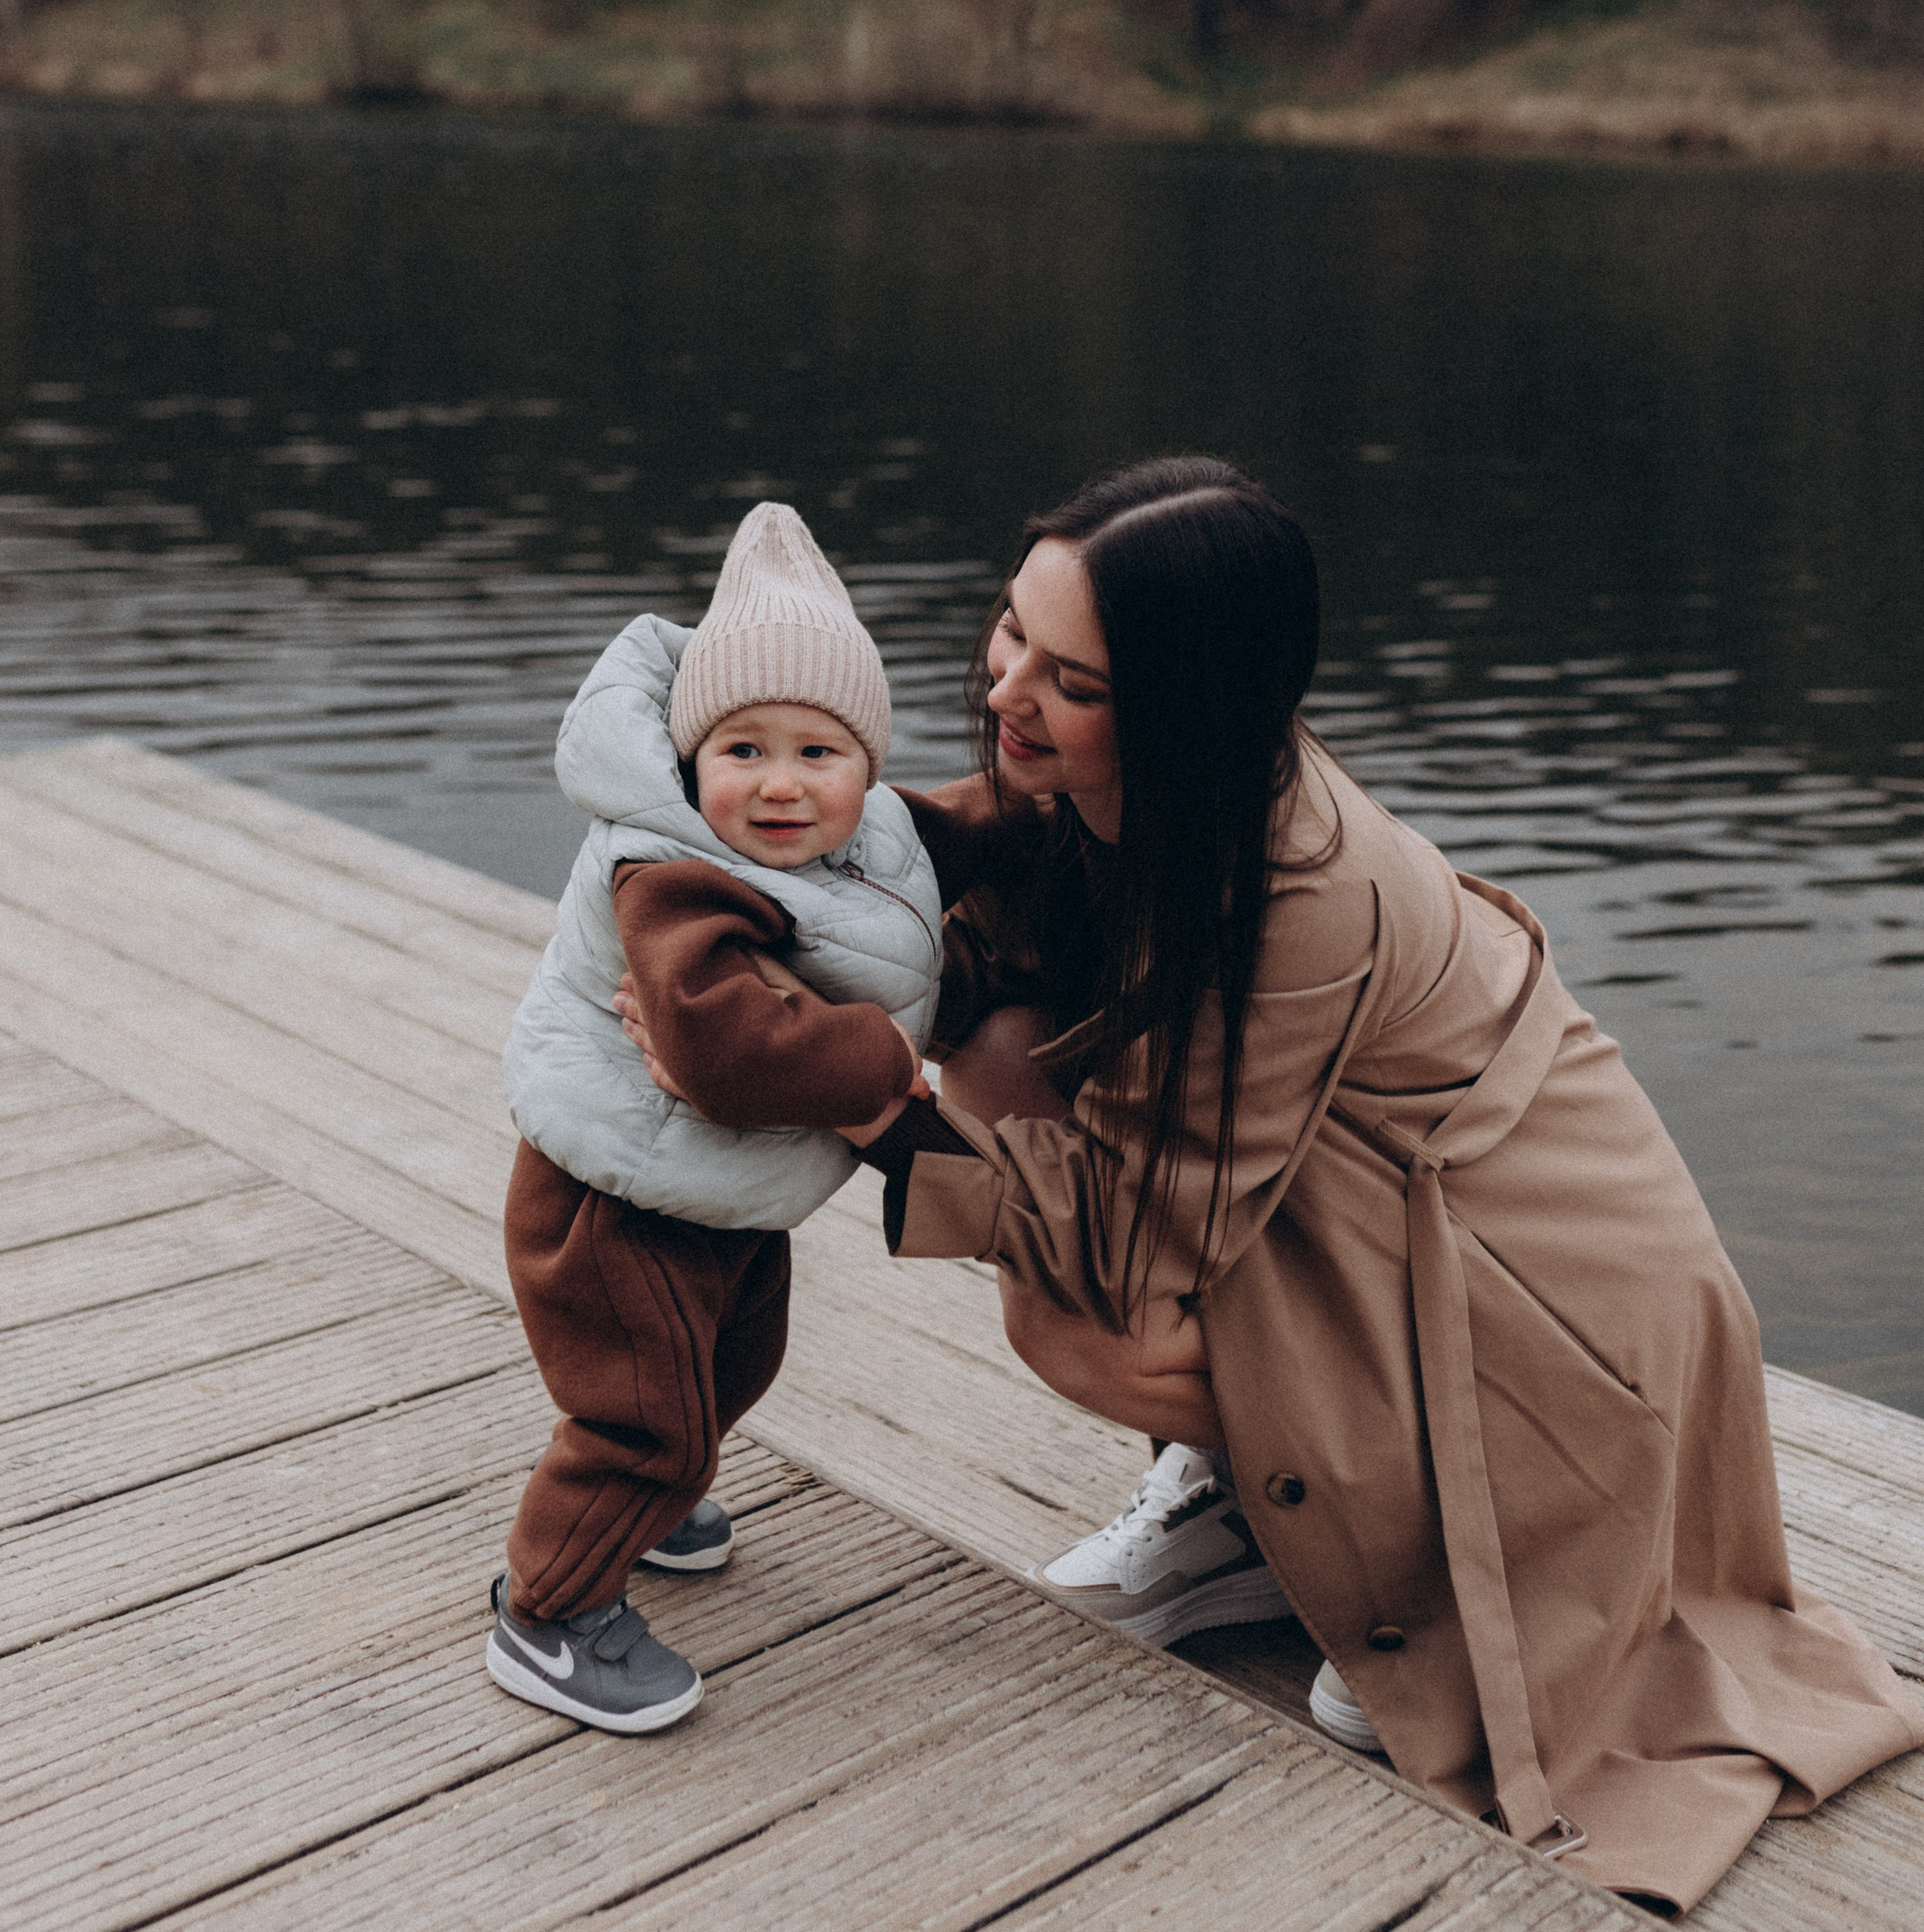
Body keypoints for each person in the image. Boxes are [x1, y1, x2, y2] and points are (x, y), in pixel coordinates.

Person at [644, 456, 1922, 1914]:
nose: (1006, 691)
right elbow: (932, 898)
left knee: (1076, 1319)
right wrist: (728, 896)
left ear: (1182, 705)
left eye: (1072, 681)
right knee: (1000, 1049)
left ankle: (1419, 1569)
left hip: (1547, 1289)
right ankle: (1257, 1516)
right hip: (1372, 1187)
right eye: (1010, 629)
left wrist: (862, 1095)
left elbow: (1122, 1244)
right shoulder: (1140, 787)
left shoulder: (1296, 891)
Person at [487, 501, 939, 1733]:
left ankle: (640, 1502)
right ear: (691, 765)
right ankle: (549, 1610)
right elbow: (721, 1045)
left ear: (867, 768)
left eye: (818, 751)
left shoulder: (855, 842)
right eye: (742, 749)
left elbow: (943, 843)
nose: (780, 783)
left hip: (710, 1198)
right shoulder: (669, 873)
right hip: (615, 1206)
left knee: (735, 1359)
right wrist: (882, 1060)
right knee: (646, 1417)